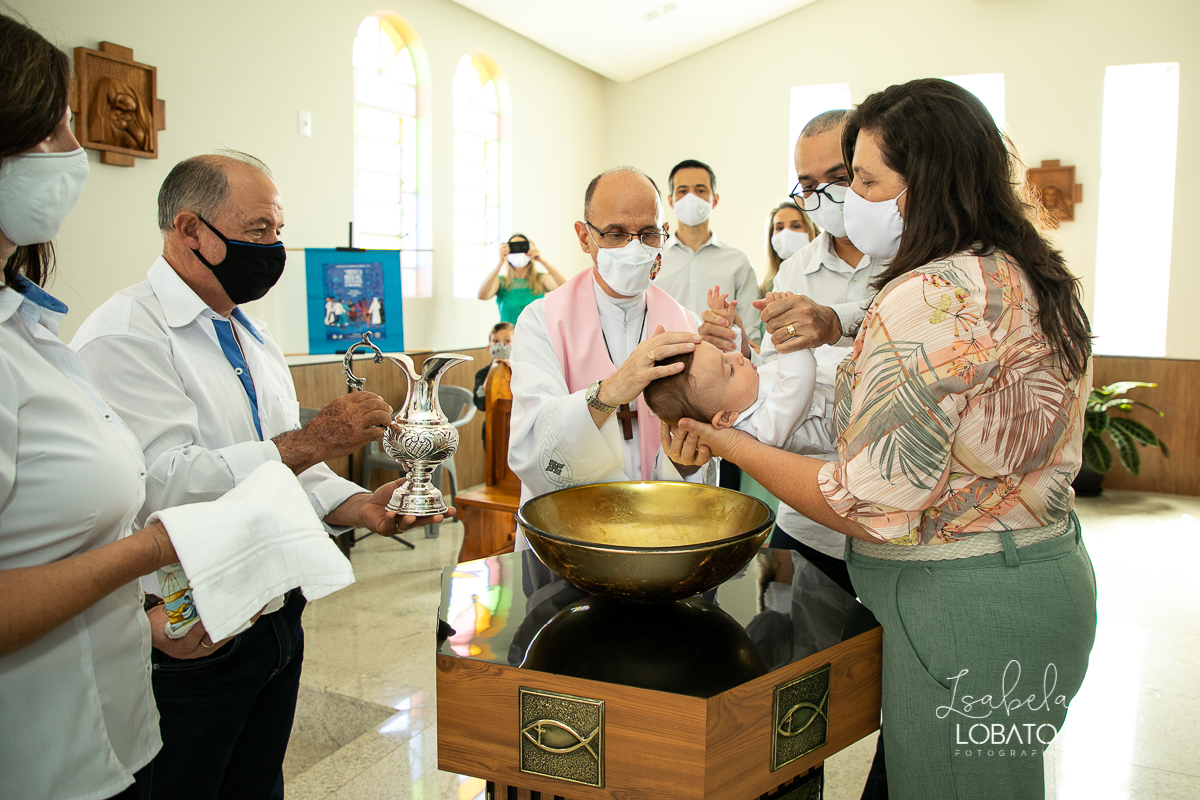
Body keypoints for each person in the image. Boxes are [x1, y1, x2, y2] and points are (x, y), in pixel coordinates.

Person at [681, 79, 1097, 800]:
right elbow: (951, 372)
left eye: (865, 180)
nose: (851, 200)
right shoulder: (1024, 270)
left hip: (963, 613)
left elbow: (868, 503)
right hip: (1039, 583)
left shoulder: (925, 295)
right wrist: (832, 330)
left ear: (925, 183)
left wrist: (728, 445)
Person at [72, 151, 448, 800]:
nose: (273, 248)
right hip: (194, 623)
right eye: (257, 231)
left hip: (274, 609)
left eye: (278, 231)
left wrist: (359, 504)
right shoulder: (125, 333)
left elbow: (285, 470)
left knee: (255, 785)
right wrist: (312, 438)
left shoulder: (250, 332)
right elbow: (161, 484)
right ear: (190, 230)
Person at [0, 16, 186, 799]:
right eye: (59, 127)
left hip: (110, 729)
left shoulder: (27, 323)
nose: (74, 151)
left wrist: (140, 620)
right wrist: (151, 550)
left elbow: (50, 533)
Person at [507, 166, 715, 543]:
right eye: (616, 234)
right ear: (584, 236)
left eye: (649, 233)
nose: (634, 248)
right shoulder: (541, 321)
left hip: (661, 528)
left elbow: (700, 441)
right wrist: (609, 393)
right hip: (571, 533)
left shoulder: (684, 323)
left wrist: (683, 463)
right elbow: (531, 444)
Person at [656, 158, 760, 490]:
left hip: (723, 397)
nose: (691, 198)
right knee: (669, 490)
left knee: (725, 497)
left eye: (700, 190)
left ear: (714, 199)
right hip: (667, 393)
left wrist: (735, 334)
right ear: (670, 201)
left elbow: (755, 341)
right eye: (682, 191)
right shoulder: (655, 259)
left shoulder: (737, 261)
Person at [643, 291, 835, 457]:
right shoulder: (763, 429)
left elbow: (730, 363)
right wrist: (786, 329)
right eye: (730, 369)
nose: (738, 357)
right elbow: (798, 379)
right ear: (726, 417)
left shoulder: (741, 394)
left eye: (723, 354)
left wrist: (728, 330)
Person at [477, 233, 566, 324]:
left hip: (537, 336)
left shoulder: (541, 279)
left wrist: (541, 260)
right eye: (514, 247)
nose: (518, 250)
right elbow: (482, 295)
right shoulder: (501, 281)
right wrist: (500, 262)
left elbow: (566, 288)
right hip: (510, 336)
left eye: (522, 246)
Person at [762, 200, 819, 295]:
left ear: (811, 230)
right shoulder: (766, 287)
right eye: (779, 228)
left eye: (796, 226)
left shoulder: (824, 276)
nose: (786, 234)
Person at [474, 321, 514, 441]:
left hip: (516, 429)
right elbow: (480, 404)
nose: (501, 345)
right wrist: (492, 371)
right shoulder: (482, 374)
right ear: (489, 348)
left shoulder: (520, 371)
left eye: (507, 341)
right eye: (496, 341)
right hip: (492, 431)